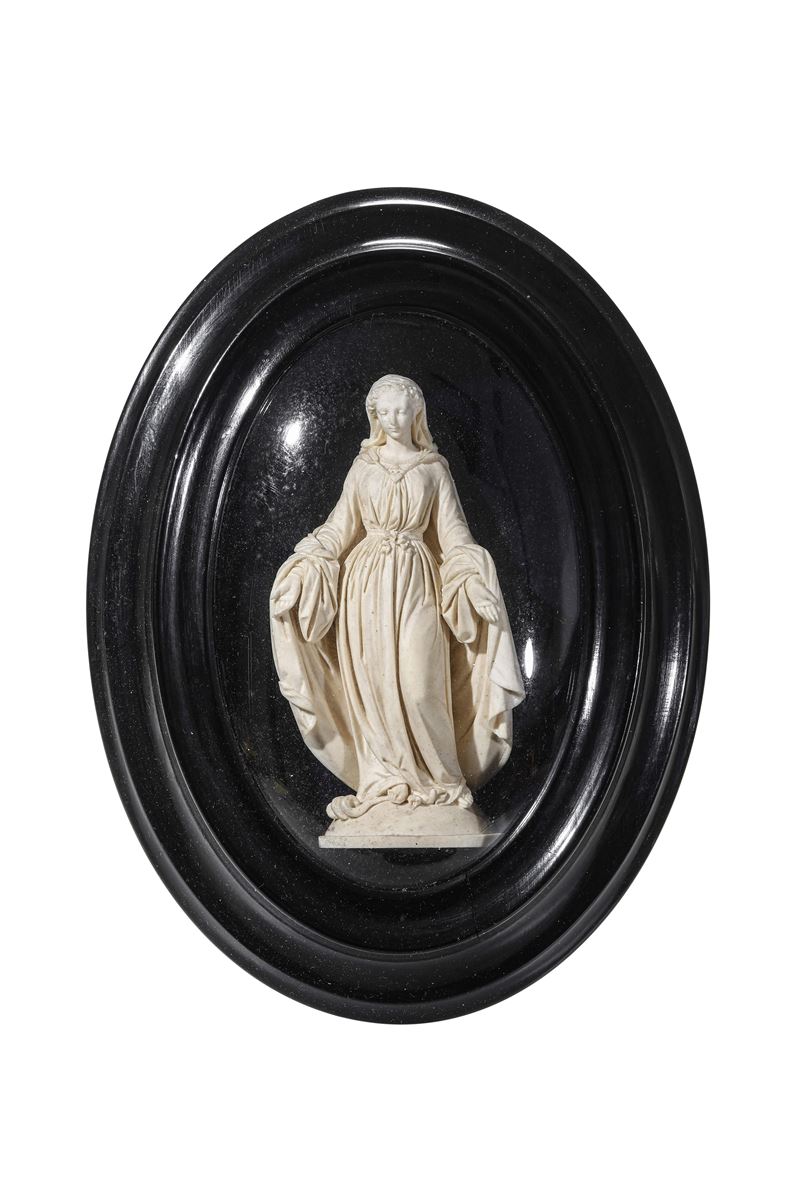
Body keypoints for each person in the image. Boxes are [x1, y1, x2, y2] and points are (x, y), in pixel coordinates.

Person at [270, 374, 525, 827]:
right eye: (383, 412)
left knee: (420, 685)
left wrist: (471, 581)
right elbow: (337, 530)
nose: (392, 420)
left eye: (401, 411)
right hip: (364, 591)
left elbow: (454, 535)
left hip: (417, 582)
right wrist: (303, 570)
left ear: (416, 414)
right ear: (374, 416)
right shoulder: (363, 468)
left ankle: (443, 783)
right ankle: (385, 783)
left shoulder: (433, 469)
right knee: (377, 689)